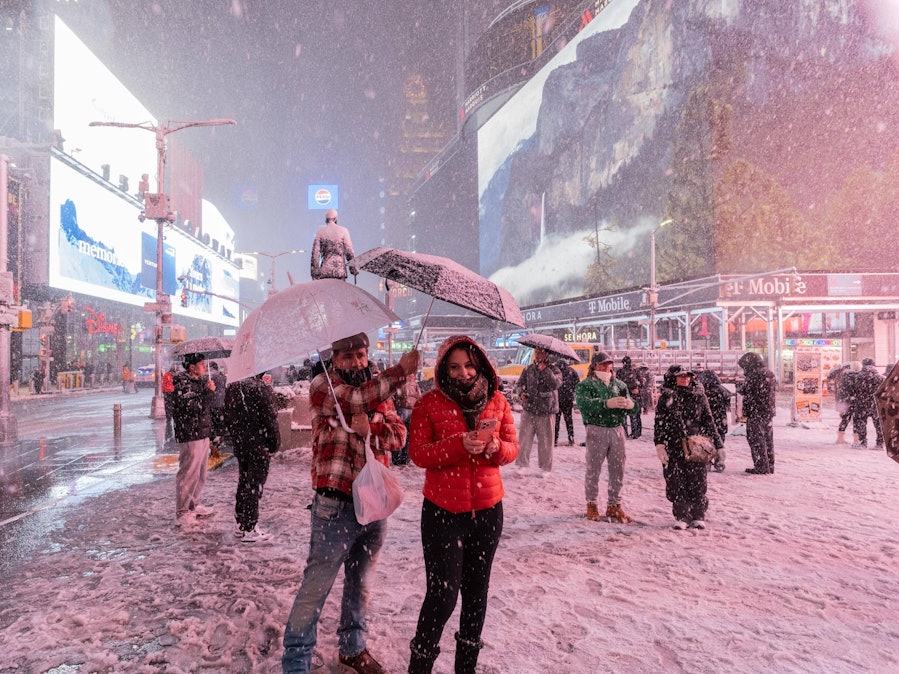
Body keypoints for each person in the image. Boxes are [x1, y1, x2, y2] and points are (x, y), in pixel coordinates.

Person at [282, 333, 419, 674]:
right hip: (334, 507)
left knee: (361, 586)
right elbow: (356, 399)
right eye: (348, 356)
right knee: (315, 590)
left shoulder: (377, 385)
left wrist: (369, 426)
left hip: (374, 505)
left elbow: (398, 434)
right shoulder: (322, 385)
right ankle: (295, 663)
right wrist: (400, 371)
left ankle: (352, 649)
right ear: (334, 358)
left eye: (361, 354)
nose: (357, 361)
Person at [407, 336, 519, 674]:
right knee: (442, 597)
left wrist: (495, 448)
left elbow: (512, 448)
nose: (464, 373)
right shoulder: (428, 404)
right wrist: (458, 445)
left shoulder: (497, 401)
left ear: (481, 365)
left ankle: (465, 668)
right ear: (443, 368)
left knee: (476, 595)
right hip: (442, 514)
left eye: (469, 365)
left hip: (487, 512)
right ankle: (420, 666)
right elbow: (418, 454)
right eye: (454, 366)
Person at [654, 365, 724, 529]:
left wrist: (719, 445)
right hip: (674, 444)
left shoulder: (699, 396)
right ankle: (682, 515)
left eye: (687, 376)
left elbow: (709, 421)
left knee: (698, 481)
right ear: (673, 378)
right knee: (676, 482)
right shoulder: (666, 398)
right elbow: (659, 423)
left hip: (695, 446)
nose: (685, 379)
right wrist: (659, 444)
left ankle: (698, 514)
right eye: (680, 376)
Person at [574, 352, 635, 523]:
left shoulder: (620, 384)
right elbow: (583, 405)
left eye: (608, 364)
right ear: (595, 366)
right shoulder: (585, 385)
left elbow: (633, 406)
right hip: (597, 429)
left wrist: (631, 405)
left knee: (618, 468)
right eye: (602, 364)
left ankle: (614, 505)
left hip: (617, 428)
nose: (606, 367)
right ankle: (591, 503)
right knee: (594, 469)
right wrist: (605, 404)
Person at [224, 372, 281, 542]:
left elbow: (227, 418)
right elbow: (270, 419)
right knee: (254, 486)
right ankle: (250, 528)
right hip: (259, 445)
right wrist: (273, 444)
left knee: (244, 483)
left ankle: (241, 524)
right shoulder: (261, 388)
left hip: (242, 445)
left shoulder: (233, 388)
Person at [170, 353, 217, 526]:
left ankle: (193, 504)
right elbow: (192, 408)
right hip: (190, 433)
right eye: (201, 364)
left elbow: (203, 407)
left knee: (201, 472)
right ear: (192, 367)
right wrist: (207, 392)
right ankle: (183, 511)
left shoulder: (199, 382)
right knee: (188, 472)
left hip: (202, 432)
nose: (205, 367)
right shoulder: (183, 383)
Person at [514, 347, 562, 471]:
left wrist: (545, 371)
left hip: (547, 410)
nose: (537, 355)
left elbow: (555, 384)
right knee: (524, 439)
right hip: (529, 409)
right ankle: (522, 464)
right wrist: (521, 394)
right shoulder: (529, 369)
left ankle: (545, 468)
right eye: (536, 352)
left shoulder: (554, 369)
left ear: (547, 354)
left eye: (540, 352)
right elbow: (519, 384)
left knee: (546, 442)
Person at [737, 352, 777, 474]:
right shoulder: (768, 373)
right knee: (767, 438)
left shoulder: (754, 374)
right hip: (767, 411)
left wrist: (740, 386)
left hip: (755, 411)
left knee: (756, 439)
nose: (744, 369)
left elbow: (744, 390)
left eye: (744, 366)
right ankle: (769, 465)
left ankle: (761, 466)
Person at [694, 369, 731, 471]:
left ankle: (707, 461)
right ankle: (719, 461)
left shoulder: (702, 390)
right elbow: (728, 401)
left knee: (706, 440)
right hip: (720, 420)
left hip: (706, 420)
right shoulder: (722, 389)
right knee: (720, 439)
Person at [844, 358, 884, 449]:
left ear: (863, 365)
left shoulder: (857, 377)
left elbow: (851, 392)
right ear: (874, 365)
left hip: (861, 403)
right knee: (878, 424)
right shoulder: (880, 378)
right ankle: (880, 443)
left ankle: (863, 442)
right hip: (876, 404)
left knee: (860, 422)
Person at [310, 208, 356, 281]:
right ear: (335, 219)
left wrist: (315, 272)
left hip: (325, 271)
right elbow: (349, 251)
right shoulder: (343, 231)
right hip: (339, 271)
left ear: (326, 219)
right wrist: (353, 268)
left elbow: (315, 254)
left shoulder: (320, 232)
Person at [391, 372, 421, 466]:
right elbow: (419, 397)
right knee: (408, 435)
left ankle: (397, 458)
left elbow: (392, 396)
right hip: (412, 410)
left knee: (398, 434)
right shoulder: (414, 384)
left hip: (400, 409)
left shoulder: (398, 382)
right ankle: (405, 458)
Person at [554, 359, 580, 447]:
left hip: (557, 399)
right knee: (568, 420)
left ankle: (554, 439)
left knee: (556, 421)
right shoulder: (571, 371)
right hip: (568, 399)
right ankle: (571, 438)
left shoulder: (555, 371)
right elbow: (577, 384)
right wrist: (571, 391)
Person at [615, 355, 643, 439]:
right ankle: (629, 433)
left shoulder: (634, 371)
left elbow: (641, 383)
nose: (626, 365)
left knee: (633, 415)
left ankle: (634, 433)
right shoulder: (622, 372)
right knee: (629, 416)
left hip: (632, 396)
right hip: (626, 396)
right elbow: (617, 384)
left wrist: (638, 389)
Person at [828, 364, 852, 444]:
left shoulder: (838, 377)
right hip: (845, 401)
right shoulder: (844, 377)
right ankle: (841, 438)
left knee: (845, 419)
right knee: (846, 419)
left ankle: (840, 438)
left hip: (841, 400)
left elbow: (838, 392)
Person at [208, 362, 228, 447]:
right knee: (220, 421)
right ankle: (220, 438)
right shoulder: (222, 376)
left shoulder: (210, 376)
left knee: (213, 421)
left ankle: (214, 439)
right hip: (221, 401)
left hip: (212, 402)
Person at [162, 365, 177, 440]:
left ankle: (169, 418)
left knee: (169, 406)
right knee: (171, 406)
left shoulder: (167, 375)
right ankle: (170, 418)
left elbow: (164, 385)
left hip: (169, 393)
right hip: (171, 393)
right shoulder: (171, 375)